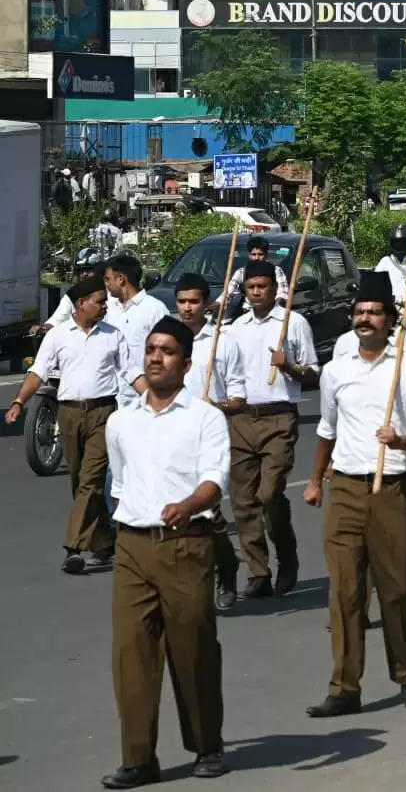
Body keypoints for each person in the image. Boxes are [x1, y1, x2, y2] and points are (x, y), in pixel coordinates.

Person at [100, 318, 229, 788]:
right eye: (151, 349)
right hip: (133, 547)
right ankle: (138, 759)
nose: (156, 357)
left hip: (185, 546)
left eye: (167, 351)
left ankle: (206, 745)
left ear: (186, 363)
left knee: (192, 648)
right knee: (131, 654)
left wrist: (189, 504)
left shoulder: (205, 418)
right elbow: (121, 481)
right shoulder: (121, 421)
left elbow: (215, 481)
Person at [302, 275, 406, 716]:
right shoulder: (336, 371)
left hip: (394, 487)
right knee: (344, 593)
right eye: (359, 312)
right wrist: (316, 479)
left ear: (390, 320)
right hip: (346, 487)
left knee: (397, 588)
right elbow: (326, 430)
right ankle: (344, 687)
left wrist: (399, 440)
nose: (364, 319)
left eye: (373, 312)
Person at [6, 276, 140, 574]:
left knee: (91, 480)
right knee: (80, 482)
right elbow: (38, 372)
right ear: (81, 304)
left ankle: (73, 549)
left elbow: (132, 373)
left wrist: (159, 402)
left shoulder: (113, 335)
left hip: (103, 413)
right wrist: (18, 402)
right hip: (68, 414)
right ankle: (105, 544)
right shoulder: (58, 336)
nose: (105, 307)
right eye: (100, 302)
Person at [227, 260, 318, 599]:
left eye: (262, 287)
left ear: (274, 288)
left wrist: (289, 366)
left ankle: (287, 555)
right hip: (241, 417)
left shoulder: (294, 323)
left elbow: (312, 374)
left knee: (268, 494)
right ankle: (258, 571)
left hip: (279, 417)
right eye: (251, 288)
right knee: (243, 500)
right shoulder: (236, 328)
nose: (256, 293)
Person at [173, 273, 248, 612]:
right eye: (182, 301)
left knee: (207, 510)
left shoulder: (224, 341)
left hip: (211, 436)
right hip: (172, 435)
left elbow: (239, 397)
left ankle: (226, 567)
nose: (187, 308)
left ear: (206, 304)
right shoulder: (167, 339)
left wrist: (216, 406)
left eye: (194, 302)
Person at [103, 254, 170, 403]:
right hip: (112, 398)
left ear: (120, 279)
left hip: (143, 399)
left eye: (108, 279)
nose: (106, 284)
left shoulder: (154, 309)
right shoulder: (110, 310)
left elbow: (168, 353)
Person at [214, 236, 289, 314]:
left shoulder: (276, 271)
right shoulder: (241, 272)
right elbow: (228, 292)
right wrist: (217, 304)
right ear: (249, 255)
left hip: (271, 311)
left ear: (266, 255)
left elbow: (283, 293)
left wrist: (275, 307)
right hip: (246, 312)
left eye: (260, 254)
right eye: (254, 254)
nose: (257, 258)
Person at [373, 225, 406, 309]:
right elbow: (374, 284)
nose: (399, 245)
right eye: (396, 242)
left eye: (402, 242)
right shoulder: (385, 262)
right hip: (387, 309)